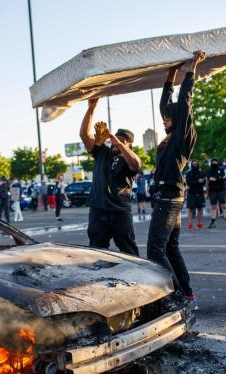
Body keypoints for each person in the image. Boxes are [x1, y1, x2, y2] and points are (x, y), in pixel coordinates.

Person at [147, 50, 206, 309]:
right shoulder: (169, 134)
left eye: (169, 117)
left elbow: (185, 99)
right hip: (168, 197)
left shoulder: (182, 134)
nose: (165, 120)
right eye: (164, 118)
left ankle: (177, 296)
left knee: (155, 251)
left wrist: (192, 67)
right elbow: (166, 101)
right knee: (170, 248)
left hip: (170, 198)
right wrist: (170, 72)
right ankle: (188, 295)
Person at [79, 98, 142, 255]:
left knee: (129, 251)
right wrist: (91, 109)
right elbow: (84, 134)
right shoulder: (103, 153)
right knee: (96, 251)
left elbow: (136, 164)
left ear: (129, 145)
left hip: (120, 210)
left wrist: (119, 143)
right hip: (99, 209)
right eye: (114, 140)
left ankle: (135, 278)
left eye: (121, 141)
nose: (114, 143)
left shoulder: (130, 158)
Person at [206, 158, 226, 229]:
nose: (214, 164)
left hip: (221, 190)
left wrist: (216, 179)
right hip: (212, 191)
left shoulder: (222, 169)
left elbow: (224, 178)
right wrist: (218, 178)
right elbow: (209, 179)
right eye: (213, 162)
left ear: (218, 163)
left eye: (215, 162)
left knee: (223, 206)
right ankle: (212, 222)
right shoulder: (209, 170)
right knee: (213, 207)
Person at [185, 160, 205, 230]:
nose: (195, 165)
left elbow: (203, 182)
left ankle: (199, 224)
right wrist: (198, 181)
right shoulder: (188, 173)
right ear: (191, 165)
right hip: (191, 193)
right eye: (193, 164)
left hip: (200, 193)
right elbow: (189, 182)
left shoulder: (201, 173)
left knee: (200, 209)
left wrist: (197, 182)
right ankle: (190, 225)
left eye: (196, 164)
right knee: (190, 209)